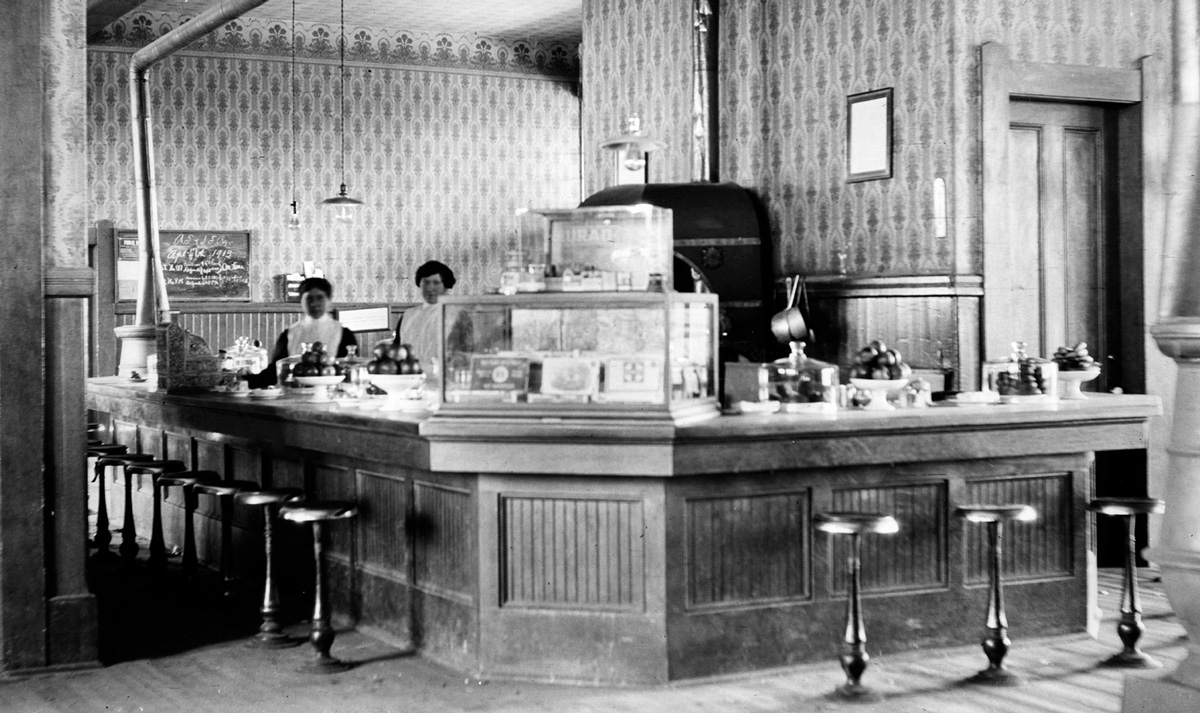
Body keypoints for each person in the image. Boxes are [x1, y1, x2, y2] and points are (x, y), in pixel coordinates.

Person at [246, 276, 358, 388]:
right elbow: (274, 372)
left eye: (320, 298)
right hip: (296, 395)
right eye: (309, 298)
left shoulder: (344, 335)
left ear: (328, 300)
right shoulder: (289, 334)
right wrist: (246, 380)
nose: (314, 303)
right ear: (301, 301)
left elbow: (351, 372)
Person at [393, 260, 458, 365]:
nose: (430, 288)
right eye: (426, 282)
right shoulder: (408, 315)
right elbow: (397, 348)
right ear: (420, 284)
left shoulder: (456, 315)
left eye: (436, 282)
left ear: (446, 286)